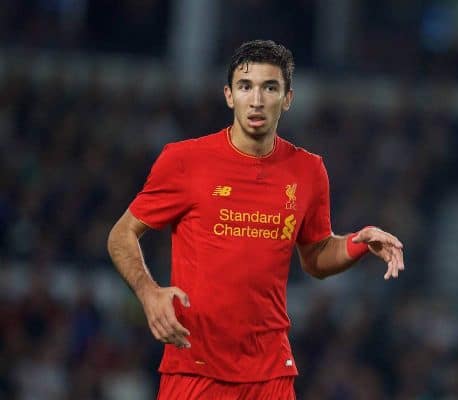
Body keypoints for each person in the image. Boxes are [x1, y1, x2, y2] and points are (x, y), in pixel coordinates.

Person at [107, 39, 404, 399]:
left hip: (270, 374)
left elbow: (315, 256)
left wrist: (358, 241)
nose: (257, 100)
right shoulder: (185, 161)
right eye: (246, 87)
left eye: (270, 87)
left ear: (288, 98)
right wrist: (149, 293)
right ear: (229, 95)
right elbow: (122, 234)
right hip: (195, 368)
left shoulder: (308, 171)